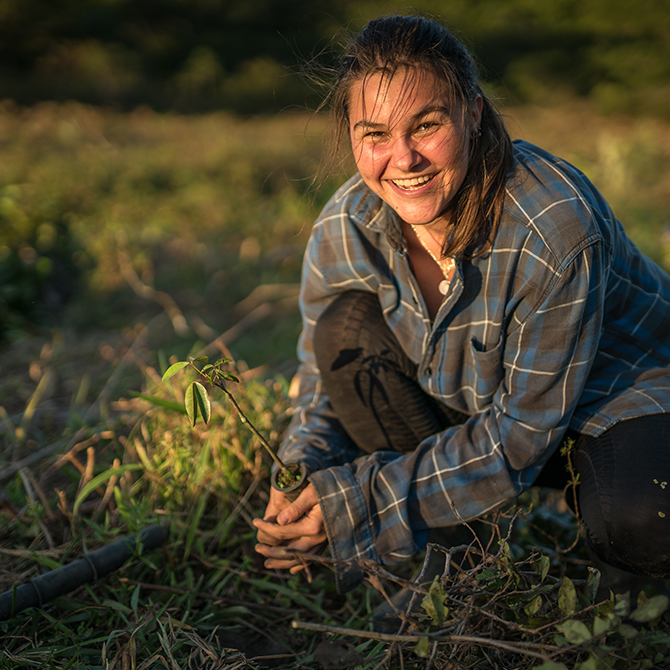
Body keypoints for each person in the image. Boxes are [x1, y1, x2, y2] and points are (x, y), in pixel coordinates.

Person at [252, 14, 670, 595]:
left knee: (642, 516)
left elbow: (521, 436)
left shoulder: (554, 229)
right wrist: (302, 476)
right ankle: (454, 565)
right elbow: (320, 384)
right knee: (341, 332)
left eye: (426, 125)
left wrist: (359, 503)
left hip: (613, 401)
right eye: (374, 135)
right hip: (488, 405)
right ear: (352, 137)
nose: (403, 159)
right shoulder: (345, 228)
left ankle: (630, 594)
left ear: (472, 114)